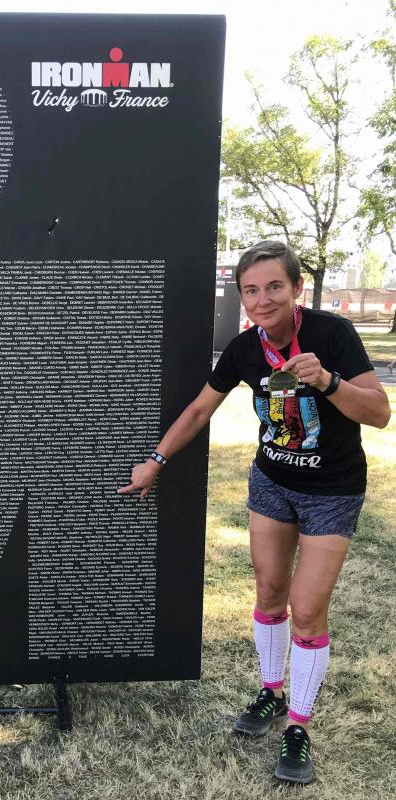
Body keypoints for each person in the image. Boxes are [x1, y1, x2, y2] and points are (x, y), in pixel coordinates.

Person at [118, 240, 391, 785]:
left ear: (296, 289)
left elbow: (380, 413)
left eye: (273, 287)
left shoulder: (333, 335)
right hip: (271, 484)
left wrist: (328, 381)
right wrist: (155, 460)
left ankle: (299, 726)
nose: (262, 300)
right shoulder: (246, 349)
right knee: (268, 594)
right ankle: (271, 691)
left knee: (307, 611)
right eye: (251, 290)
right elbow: (200, 409)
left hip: (331, 491)